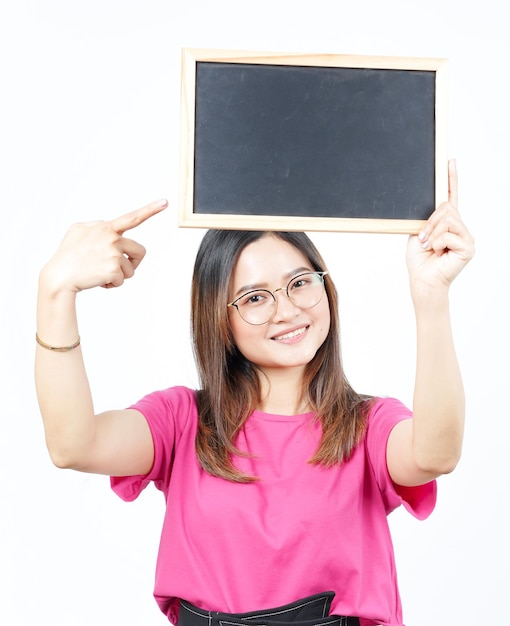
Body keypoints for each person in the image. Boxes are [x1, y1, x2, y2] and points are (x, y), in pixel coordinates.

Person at [35, 159, 474, 626]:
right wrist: (55, 291)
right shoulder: (182, 420)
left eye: (300, 283)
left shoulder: (369, 426)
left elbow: (435, 455)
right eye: (255, 297)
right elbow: (73, 445)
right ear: (218, 319)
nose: (287, 310)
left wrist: (431, 296)